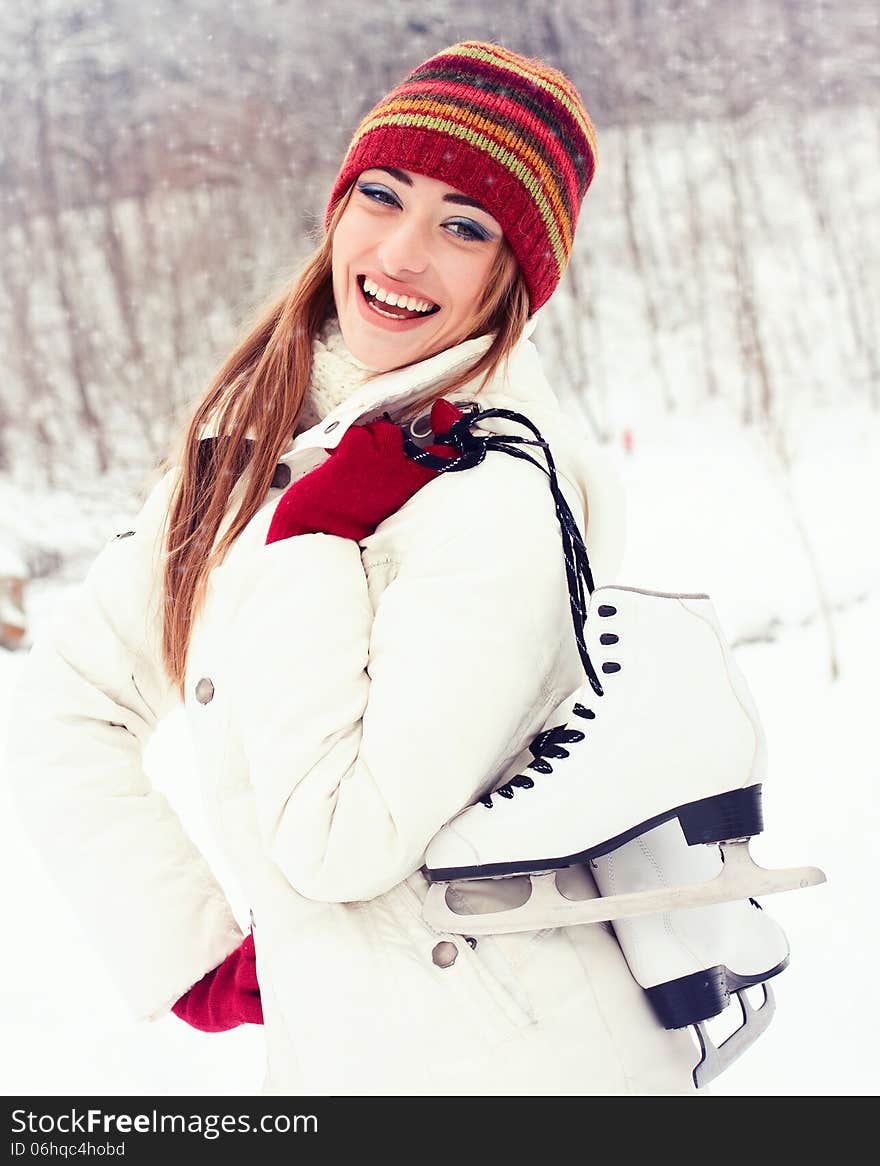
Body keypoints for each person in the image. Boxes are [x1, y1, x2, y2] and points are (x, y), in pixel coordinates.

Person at [5, 40, 705, 1095]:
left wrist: (315, 543)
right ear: (338, 206)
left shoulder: (496, 481)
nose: (402, 252)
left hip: (523, 1062)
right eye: (383, 195)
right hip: (351, 1050)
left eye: (464, 226)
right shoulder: (251, 447)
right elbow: (73, 693)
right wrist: (182, 939)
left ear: (515, 275)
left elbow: (343, 841)